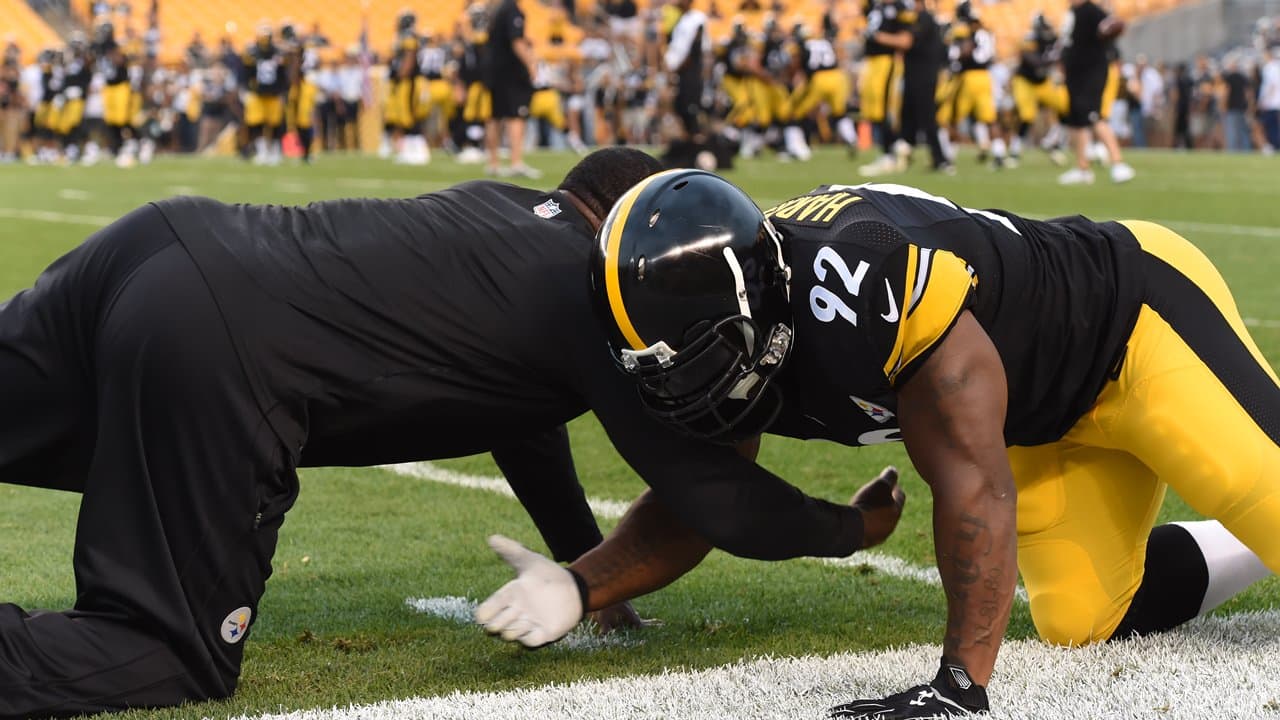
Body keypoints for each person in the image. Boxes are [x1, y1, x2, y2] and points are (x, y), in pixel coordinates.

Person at [0, 149, 896, 717]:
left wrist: (591, 572)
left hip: (153, 244)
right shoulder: (592, 285)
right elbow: (717, 500)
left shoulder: (508, 212)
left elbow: (527, 423)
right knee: (159, 653)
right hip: (221, 342)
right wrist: (849, 528)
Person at [476, 171, 1278, 718]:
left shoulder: (865, 289)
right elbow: (704, 502)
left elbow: (975, 485)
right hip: (1041, 420)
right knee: (1085, 620)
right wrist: (585, 587)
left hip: (1131, 323)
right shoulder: (747, 325)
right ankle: (1250, 535)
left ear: (757, 310)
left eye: (704, 361)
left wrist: (959, 685)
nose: (685, 392)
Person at [1057, 0, 1134, 184]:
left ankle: (1118, 164)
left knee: (1094, 116)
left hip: (1090, 73)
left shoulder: (1091, 10)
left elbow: (1112, 26)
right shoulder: (1073, 12)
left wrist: (1111, 28)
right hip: (1075, 74)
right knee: (1077, 120)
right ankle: (1082, 168)